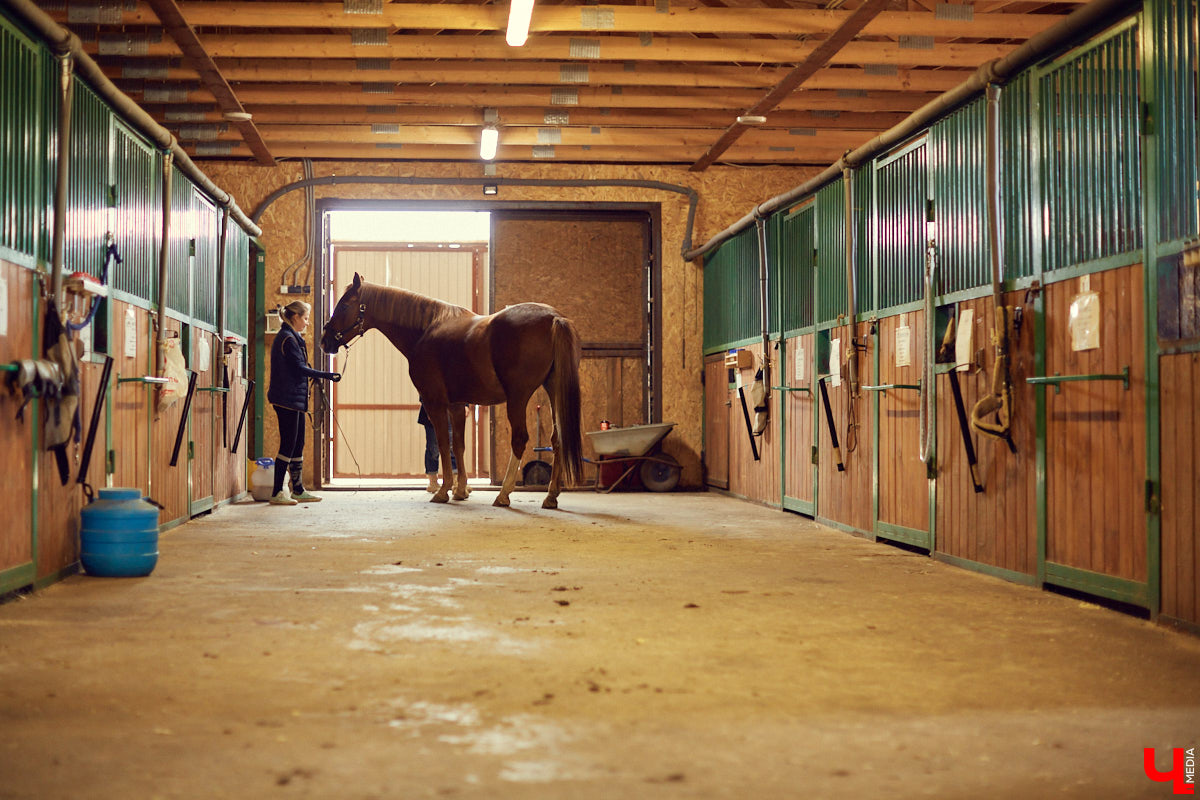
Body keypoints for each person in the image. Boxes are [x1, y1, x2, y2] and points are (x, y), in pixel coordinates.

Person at [267, 300, 340, 505]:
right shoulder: (287, 339)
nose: (307, 322)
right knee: (288, 444)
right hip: (286, 399)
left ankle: (298, 489)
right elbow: (299, 368)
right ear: (295, 317)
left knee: (298, 444)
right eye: (305, 318)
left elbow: (300, 366)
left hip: (295, 399)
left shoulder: (293, 337)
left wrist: (318, 375)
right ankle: (276, 492)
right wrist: (326, 375)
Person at [418, 403, 457, 492]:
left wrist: (465, 405)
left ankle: (456, 481)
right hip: (432, 410)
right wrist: (428, 409)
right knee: (433, 448)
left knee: (453, 447)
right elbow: (423, 394)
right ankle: (433, 481)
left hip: (451, 410)